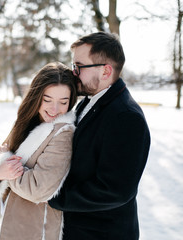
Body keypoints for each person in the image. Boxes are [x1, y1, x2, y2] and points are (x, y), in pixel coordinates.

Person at [48, 32, 151, 239]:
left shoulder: (126, 117)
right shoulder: (88, 101)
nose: (73, 72)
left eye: (79, 66)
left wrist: (53, 195)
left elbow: (114, 190)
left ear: (105, 71)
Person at [0, 62, 78, 240]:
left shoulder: (63, 133)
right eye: (47, 100)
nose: (54, 109)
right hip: (14, 219)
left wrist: (6, 166)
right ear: (37, 96)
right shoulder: (27, 121)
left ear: (71, 101)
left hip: (37, 228)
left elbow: (38, 189)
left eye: (63, 102)